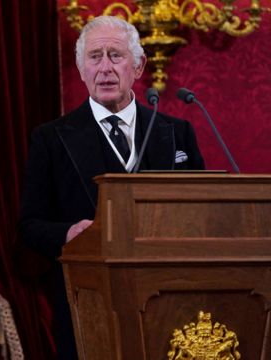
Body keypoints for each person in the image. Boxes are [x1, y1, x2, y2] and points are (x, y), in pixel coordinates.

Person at [18, 16, 205, 359]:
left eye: (115, 55)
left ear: (138, 66)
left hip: (169, 300)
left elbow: (204, 213)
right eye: (95, 56)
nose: (105, 67)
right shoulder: (51, 138)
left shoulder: (177, 132)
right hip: (89, 302)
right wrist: (68, 232)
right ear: (81, 70)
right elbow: (30, 225)